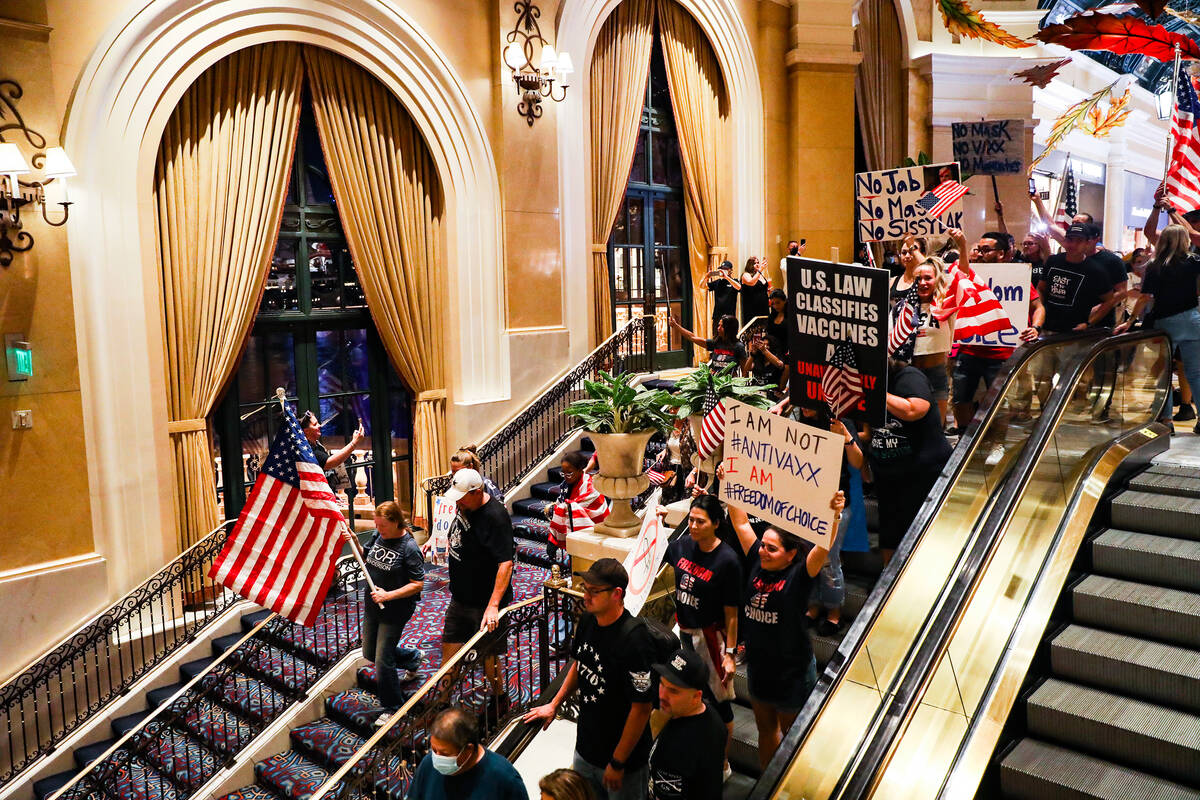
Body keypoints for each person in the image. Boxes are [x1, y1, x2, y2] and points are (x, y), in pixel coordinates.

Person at [725, 490, 844, 769]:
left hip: (791, 672)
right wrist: (730, 483)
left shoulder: (799, 575)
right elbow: (741, 523)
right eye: (763, 545)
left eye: (771, 548)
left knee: (794, 737)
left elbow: (823, 546)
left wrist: (834, 514)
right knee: (766, 731)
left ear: (791, 555)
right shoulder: (756, 559)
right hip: (760, 670)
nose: (762, 551)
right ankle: (770, 786)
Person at [522, 559, 656, 800]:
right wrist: (554, 704)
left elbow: (642, 708)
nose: (586, 596)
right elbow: (579, 664)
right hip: (586, 749)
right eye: (585, 588)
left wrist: (618, 762)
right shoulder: (587, 620)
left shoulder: (635, 640)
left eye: (594, 591)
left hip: (622, 762)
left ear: (617, 594)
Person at [660, 495, 741, 770]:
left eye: (700, 521)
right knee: (689, 695)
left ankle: (722, 762)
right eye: (691, 520)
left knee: (719, 704)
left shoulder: (727, 560)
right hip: (684, 633)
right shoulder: (681, 546)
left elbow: (732, 614)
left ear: (716, 524)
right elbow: (654, 557)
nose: (693, 525)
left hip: (710, 639)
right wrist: (656, 523)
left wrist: (729, 654)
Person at [343, 502, 426, 727]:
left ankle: (393, 707)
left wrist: (388, 595)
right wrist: (355, 541)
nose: (379, 530)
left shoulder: (408, 547)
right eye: (376, 525)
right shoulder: (379, 536)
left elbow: (417, 584)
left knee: (382, 659)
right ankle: (412, 658)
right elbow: (365, 556)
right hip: (374, 605)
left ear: (396, 521)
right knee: (370, 651)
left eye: (383, 526)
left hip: (395, 609)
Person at [1117, 225, 1200, 435]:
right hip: (1192, 320)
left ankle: (1166, 420)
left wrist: (1130, 320)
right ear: (1184, 240)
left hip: (1166, 322)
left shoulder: (1155, 266)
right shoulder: (1193, 262)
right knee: (1196, 373)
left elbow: (1145, 298)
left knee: (1163, 373)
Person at [869, 359, 953, 565]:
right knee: (889, 531)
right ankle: (886, 584)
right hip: (888, 473)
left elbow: (914, 410)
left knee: (921, 529)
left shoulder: (908, 376)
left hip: (922, 472)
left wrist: (873, 389)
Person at [437, 468, 515, 662]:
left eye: (462, 498)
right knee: (449, 655)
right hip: (460, 598)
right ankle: (444, 694)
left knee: (489, 658)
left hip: (484, 603)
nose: (457, 502)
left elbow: (506, 564)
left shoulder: (495, 517)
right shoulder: (466, 505)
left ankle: (498, 693)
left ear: (477, 492)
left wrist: (493, 605)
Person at [646, 648, 727, 799]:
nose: (662, 695)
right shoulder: (710, 716)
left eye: (673, 691)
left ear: (696, 696)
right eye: (662, 684)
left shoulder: (678, 749)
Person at [407, 707, 528, 799]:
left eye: (445, 753)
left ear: (468, 749)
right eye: (434, 750)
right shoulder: (428, 764)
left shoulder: (505, 779)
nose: (437, 757)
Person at [1035, 223, 1118, 336]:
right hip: (1046, 327)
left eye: (1079, 241)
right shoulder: (1053, 261)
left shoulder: (1096, 271)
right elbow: (1040, 288)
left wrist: (1089, 323)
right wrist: (1039, 312)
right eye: (1070, 240)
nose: (1073, 244)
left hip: (1074, 333)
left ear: (1087, 243)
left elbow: (1109, 300)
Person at [909, 257, 953, 426]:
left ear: (938, 279)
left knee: (936, 427)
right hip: (911, 373)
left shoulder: (946, 303)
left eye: (928, 278)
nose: (922, 283)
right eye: (918, 279)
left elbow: (960, 275)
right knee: (914, 426)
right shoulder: (905, 307)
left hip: (936, 374)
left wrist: (963, 245)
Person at [547, 450, 611, 557]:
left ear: (580, 470)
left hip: (596, 535)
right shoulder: (565, 486)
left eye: (570, 472)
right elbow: (561, 505)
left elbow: (572, 509)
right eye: (563, 473)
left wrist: (564, 508)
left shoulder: (591, 487)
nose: (566, 476)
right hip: (574, 535)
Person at [300, 410, 365, 489]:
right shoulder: (307, 449)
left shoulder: (318, 445)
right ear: (306, 431)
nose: (320, 425)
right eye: (315, 424)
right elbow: (329, 463)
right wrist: (354, 443)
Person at [668, 314, 750, 375]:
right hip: (713, 381)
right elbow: (692, 337)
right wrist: (676, 326)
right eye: (719, 325)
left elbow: (744, 370)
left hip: (728, 385)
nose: (718, 328)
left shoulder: (739, 347)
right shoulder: (716, 343)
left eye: (722, 326)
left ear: (729, 328)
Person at [704, 260, 740, 329]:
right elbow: (702, 286)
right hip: (717, 316)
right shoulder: (717, 282)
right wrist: (706, 277)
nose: (723, 271)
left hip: (730, 317)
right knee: (716, 337)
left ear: (731, 270)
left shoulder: (734, 281)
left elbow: (739, 287)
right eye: (722, 269)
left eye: (725, 269)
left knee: (730, 337)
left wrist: (727, 277)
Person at [740, 257, 770, 326]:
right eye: (754, 263)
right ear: (749, 265)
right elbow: (751, 282)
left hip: (764, 306)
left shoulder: (760, 275)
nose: (757, 264)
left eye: (758, 263)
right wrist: (760, 270)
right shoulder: (746, 274)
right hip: (752, 307)